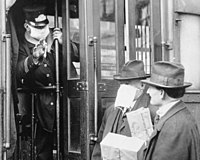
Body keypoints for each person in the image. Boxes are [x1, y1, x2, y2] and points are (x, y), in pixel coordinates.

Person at [16, 4, 79, 160]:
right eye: (38, 26)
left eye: (45, 25)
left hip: (66, 100)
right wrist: (34, 58)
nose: (43, 29)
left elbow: (80, 55)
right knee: (43, 146)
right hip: (40, 104)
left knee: (70, 142)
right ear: (27, 26)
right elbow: (18, 72)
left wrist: (65, 43)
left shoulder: (57, 37)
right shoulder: (23, 45)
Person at [91, 60, 156, 160]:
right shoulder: (111, 111)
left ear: (142, 85)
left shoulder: (151, 111)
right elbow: (100, 145)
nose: (123, 88)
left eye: (127, 83)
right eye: (121, 83)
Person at [140, 61, 200, 160]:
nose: (148, 92)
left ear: (161, 93)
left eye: (150, 88)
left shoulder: (174, 126)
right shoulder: (175, 115)